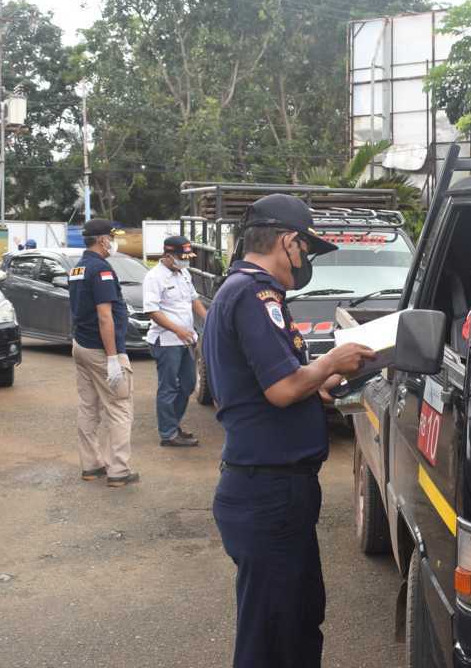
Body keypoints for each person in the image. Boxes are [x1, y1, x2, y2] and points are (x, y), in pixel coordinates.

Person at [204, 194, 375, 668]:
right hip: (268, 489)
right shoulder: (254, 293)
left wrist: (321, 381)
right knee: (273, 635)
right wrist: (330, 361)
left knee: (296, 619)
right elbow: (281, 389)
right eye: (307, 250)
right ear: (288, 241)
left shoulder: (240, 291)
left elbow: (271, 386)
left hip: (272, 487)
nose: (306, 261)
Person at [69, 219, 139, 488]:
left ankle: (91, 465)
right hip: (101, 349)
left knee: (88, 407)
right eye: (111, 237)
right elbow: (104, 316)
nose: (113, 242)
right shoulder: (100, 269)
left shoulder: (77, 267)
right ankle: (118, 470)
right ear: (101, 240)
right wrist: (113, 358)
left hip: (81, 345)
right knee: (120, 407)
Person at [143, 235, 208, 447]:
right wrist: (177, 329)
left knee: (188, 384)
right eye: (182, 257)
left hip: (186, 339)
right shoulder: (154, 277)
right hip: (166, 341)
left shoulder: (184, 273)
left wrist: (210, 320)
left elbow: (194, 300)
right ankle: (168, 433)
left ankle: (174, 424)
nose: (186, 261)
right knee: (168, 387)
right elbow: (152, 310)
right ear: (169, 256)